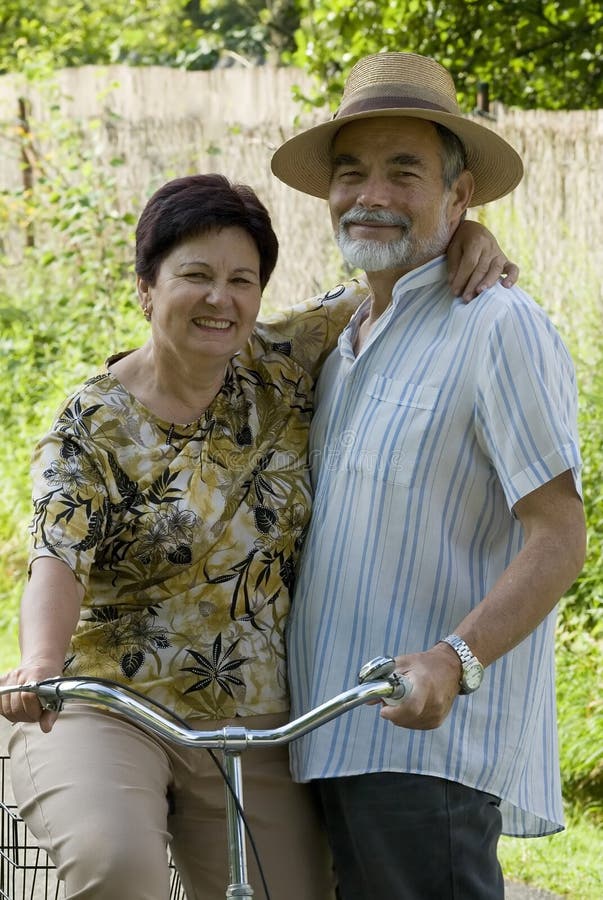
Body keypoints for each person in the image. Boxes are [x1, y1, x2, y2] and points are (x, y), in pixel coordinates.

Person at [0, 172, 515, 900]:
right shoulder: (90, 424)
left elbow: (391, 283)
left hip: (253, 717)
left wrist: (466, 235)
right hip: (106, 703)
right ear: (146, 286)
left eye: (242, 279)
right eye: (196, 276)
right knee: (118, 867)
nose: (221, 298)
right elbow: (58, 553)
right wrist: (41, 664)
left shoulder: (280, 362)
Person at [271, 51, 586, 900]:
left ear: (459, 198)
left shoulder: (497, 325)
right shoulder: (335, 341)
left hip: (422, 750)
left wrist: (454, 659)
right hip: (321, 736)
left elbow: (559, 537)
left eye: (403, 171)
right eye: (351, 172)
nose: (370, 192)